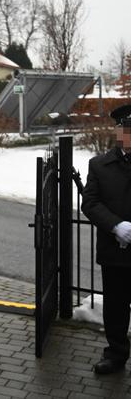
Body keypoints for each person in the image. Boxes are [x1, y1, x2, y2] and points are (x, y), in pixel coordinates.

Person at [81, 103, 131, 375]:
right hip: (115, 251)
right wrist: (116, 226)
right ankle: (116, 353)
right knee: (115, 306)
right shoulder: (100, 165)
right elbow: (89, 202)